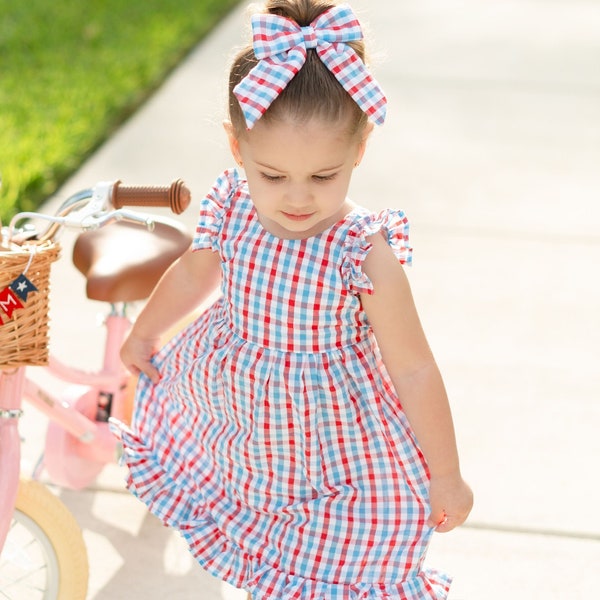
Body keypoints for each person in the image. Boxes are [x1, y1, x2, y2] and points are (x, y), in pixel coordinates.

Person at [114, 1, 473, 598]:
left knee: (336, 563)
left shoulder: (362, 253)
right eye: (273, 176)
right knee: (249, 525)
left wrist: (448, 475)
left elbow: (413, 368)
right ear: (236, 148)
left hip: (333, 449)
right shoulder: (232, 203)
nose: (298, 199)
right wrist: (146, 332)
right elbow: (193, 274)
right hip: (238, 418)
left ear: (360, 149)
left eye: (325, 176)